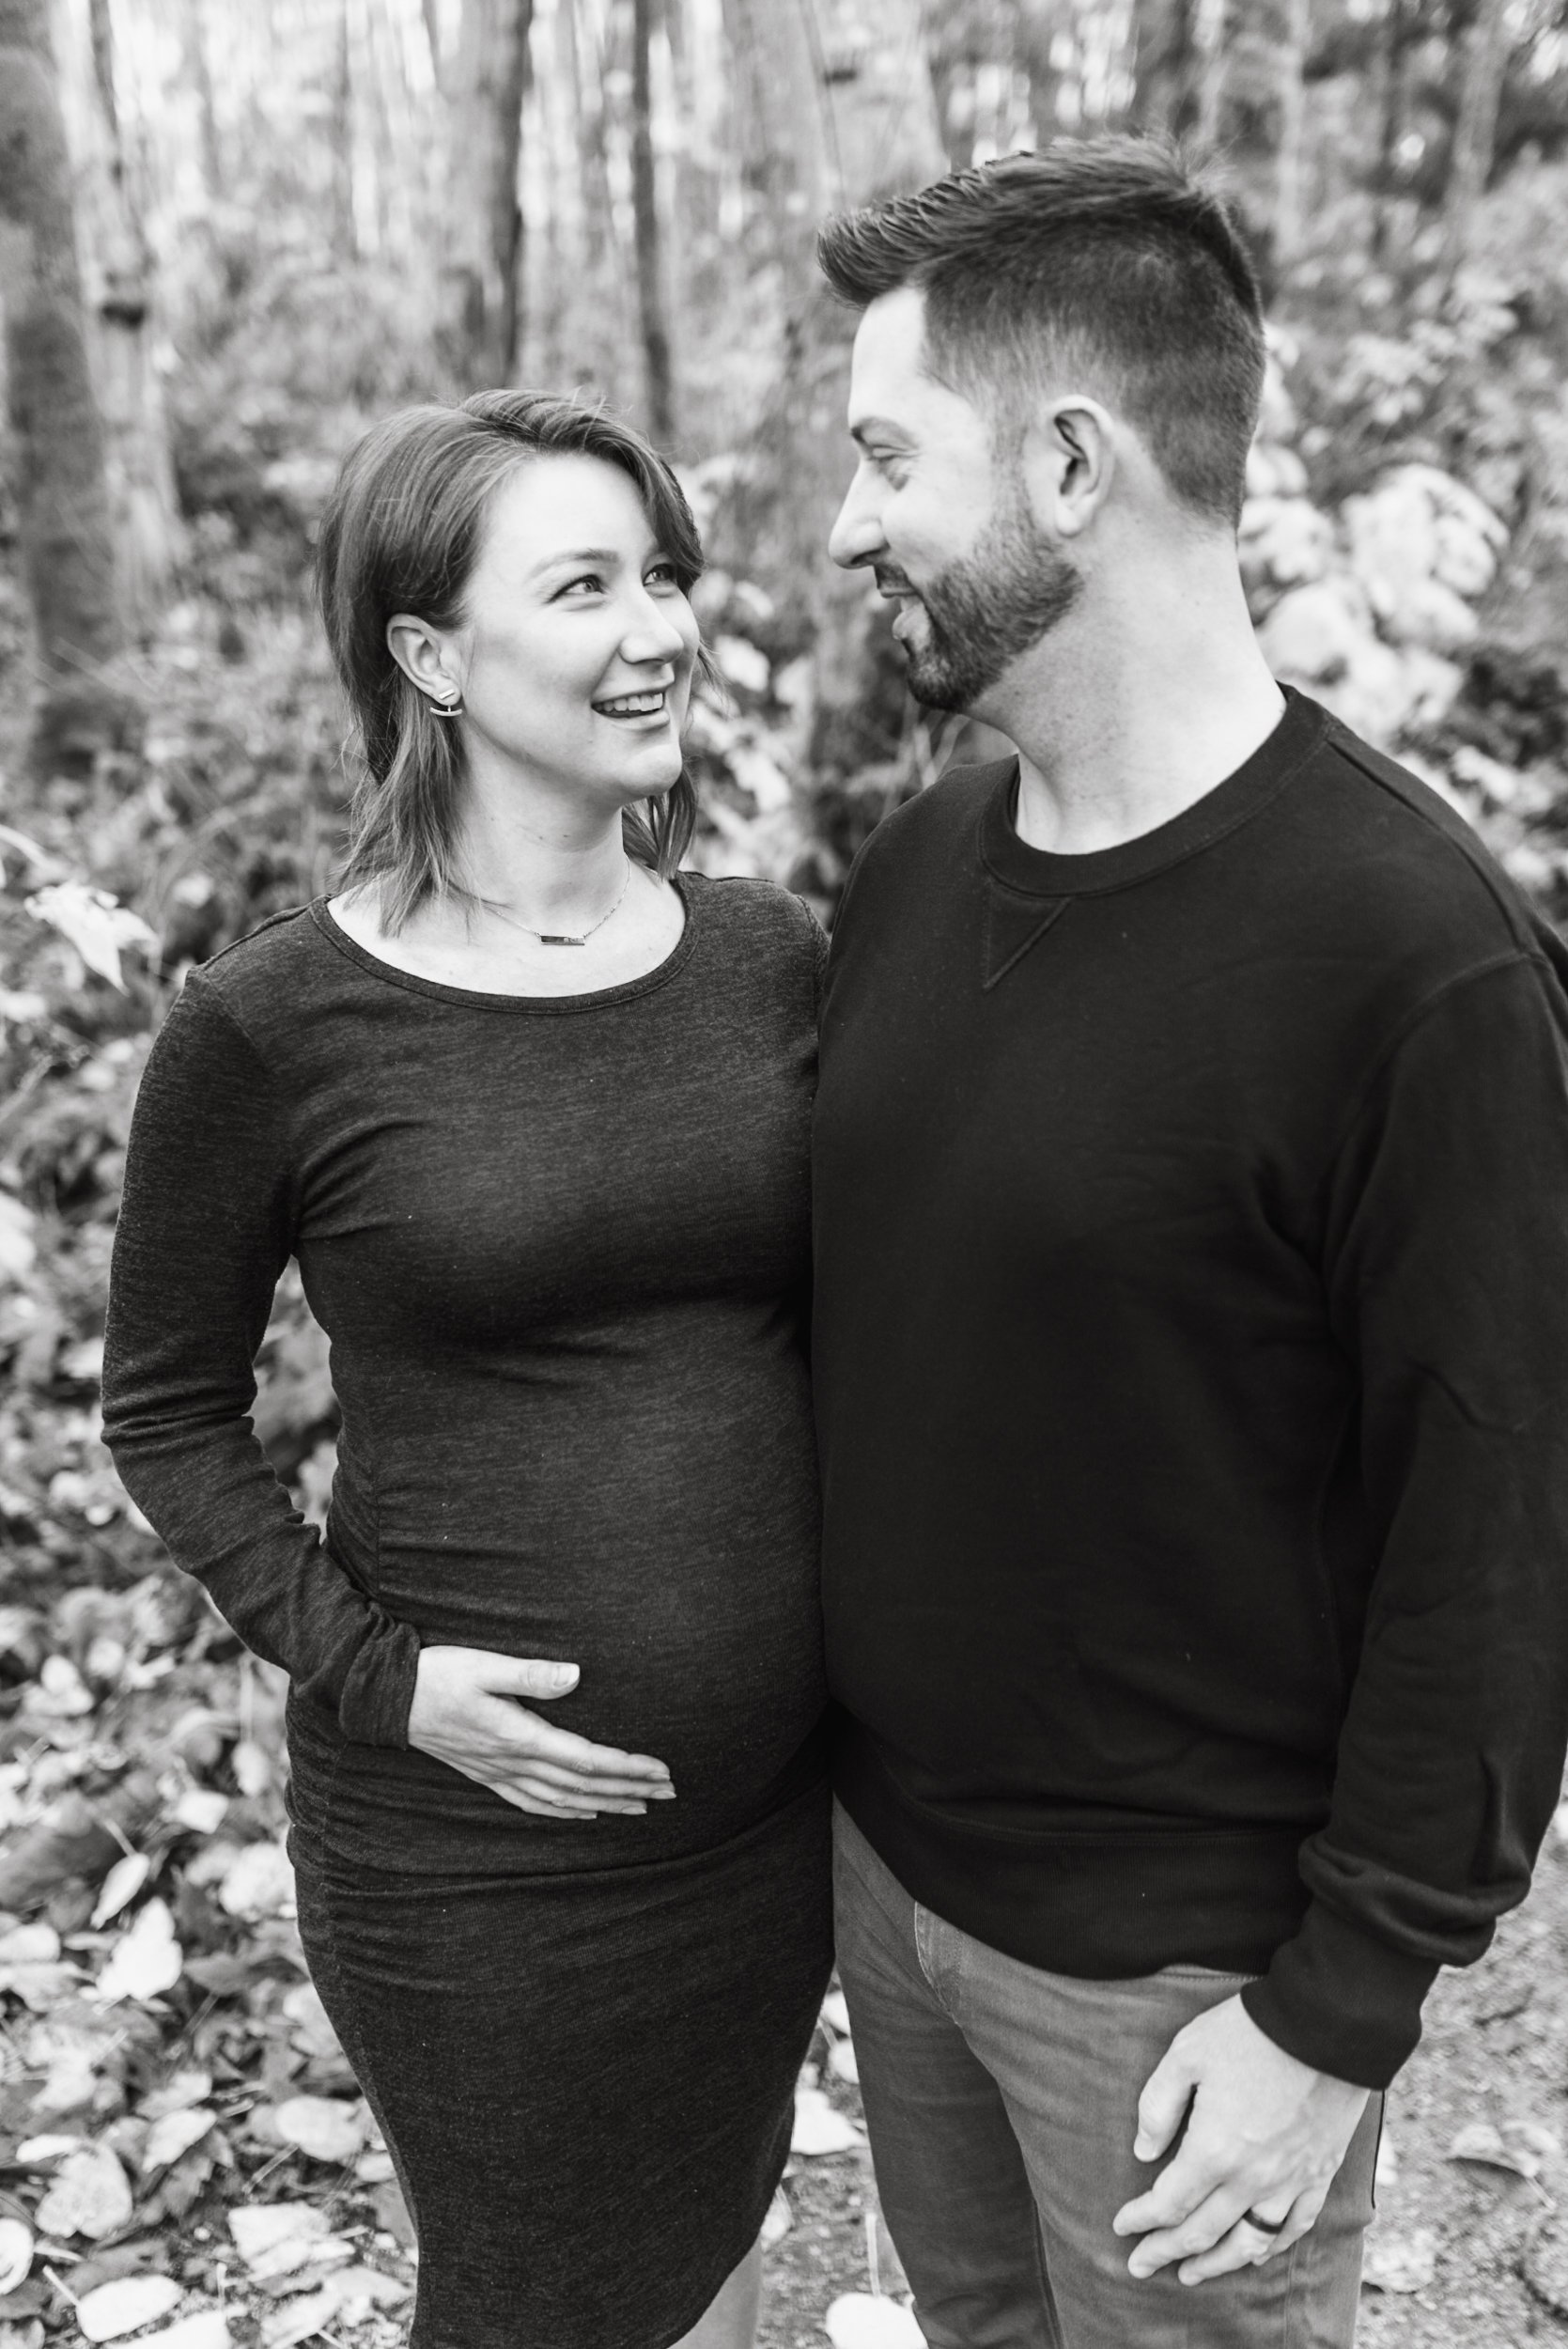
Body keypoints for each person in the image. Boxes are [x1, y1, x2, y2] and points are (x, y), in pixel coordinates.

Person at [810, 136, 1568, 2349]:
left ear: (1065, 461)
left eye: (884, 457)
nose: (846, 526)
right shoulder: (925, 855)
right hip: (894, 1895)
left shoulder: (1409, 963)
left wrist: (1338, 2012)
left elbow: (1497, 1530)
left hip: (1173, 1981)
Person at [101, 390, 832, 2349]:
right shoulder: (272, 1024)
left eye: (664, 572)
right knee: (541, 2305)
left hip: (766, 1831)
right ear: (431, 652)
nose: (658, 623)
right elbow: (166, 1409)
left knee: (722, 2268)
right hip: (477, 1861)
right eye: (585, 582)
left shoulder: (773, 961)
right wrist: (381, 1672)